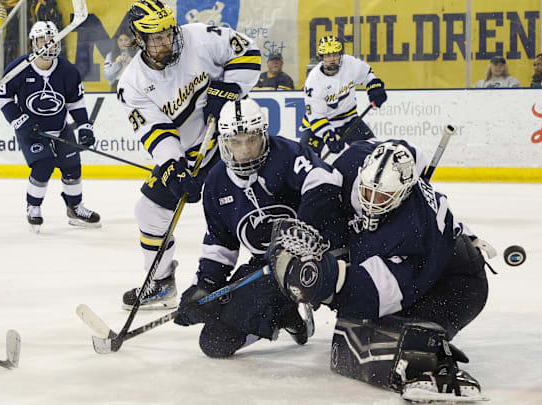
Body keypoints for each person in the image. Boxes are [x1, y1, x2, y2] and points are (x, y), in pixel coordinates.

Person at [268, 140, 496, 402]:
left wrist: (329, 280)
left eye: (382, 197)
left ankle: (434, 359)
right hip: (434, 248)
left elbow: (378, 292)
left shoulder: (414, 230)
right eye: (367, 192)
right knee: (352, 333)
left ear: (404, 192)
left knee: (388, 330)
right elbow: (402, 152)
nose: (372, 203)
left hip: (455, 283)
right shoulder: (356, 160)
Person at [172, 97, 344, 358]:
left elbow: (326, 183)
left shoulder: (287, 154)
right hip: (268, 269)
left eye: (252, 139)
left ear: (264, 135)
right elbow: (220, 243)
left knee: (356, 303)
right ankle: (284, 314)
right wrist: (206, 285)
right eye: (236, 142)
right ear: (224, 142)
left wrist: (300, 238)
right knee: (215, 343)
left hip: (320, 256)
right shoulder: (217, 182)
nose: (245, 150)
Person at [117, 0, 261, 310]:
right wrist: (173, 167)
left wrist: (229, 87)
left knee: (257, 207)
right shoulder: (132, 84)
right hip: (191, 150)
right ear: (138, 39)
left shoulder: (201, 37)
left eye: (168, 34)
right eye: (155, 38)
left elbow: (248, 51)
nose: (165, 42)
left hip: (233, 140)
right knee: (150, 210)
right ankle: (161, 281)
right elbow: (156, 132)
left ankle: (281, 279)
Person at [0, 20, 100, 232]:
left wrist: (85, 127)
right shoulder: (18, 68)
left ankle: (75, 208)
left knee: (72, 167)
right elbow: (4, 97)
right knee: (43, 165)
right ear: (33, 43)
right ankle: (33, 207)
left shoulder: (68, 70)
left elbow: (75, 102)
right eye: (42, 39)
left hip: (60, 128)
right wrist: (19, 121)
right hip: (30, 131)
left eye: (51, 39)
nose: (47, 43)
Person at [299, 35, 387, 158]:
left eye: (335, 54)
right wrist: (328, 135)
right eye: (328, 55)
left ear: (340, 55)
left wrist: (374, 88)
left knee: (374, 153)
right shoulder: (314, 81)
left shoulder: (350, 63)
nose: (332, 59)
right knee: (305, 160)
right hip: (319, 124)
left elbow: (367, 75)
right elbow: (316, 116)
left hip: (348, 119)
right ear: (322, 57)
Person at [103, 27, 137, 92]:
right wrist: (116, 64)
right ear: (117, 42)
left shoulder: (137, 54)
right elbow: (107, 76)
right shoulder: (110, 56)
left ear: (130, 41)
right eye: (120, 40)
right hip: (116, 84)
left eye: (126, 40)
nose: (123, 42)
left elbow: (143, 72)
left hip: (133, 84)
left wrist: (132, 62)